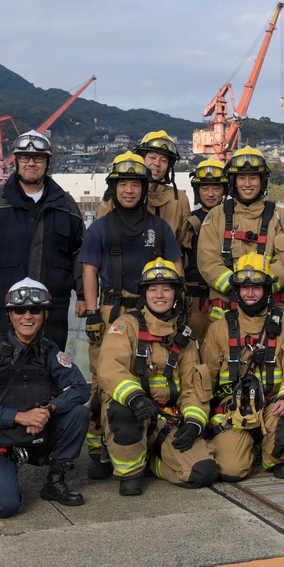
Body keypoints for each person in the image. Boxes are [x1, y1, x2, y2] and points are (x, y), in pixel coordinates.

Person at [80, 151, 183, 479]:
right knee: (102, 380)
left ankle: (142, 441)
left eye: (135, 184)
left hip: (152, 312)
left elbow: (176, 265)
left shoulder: (159, 226)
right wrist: (93, 311)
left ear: (144, 188)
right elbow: (89, 270)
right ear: (114, 187)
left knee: (151, 374)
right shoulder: (100, 228)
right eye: (122, 184)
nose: (129, 190)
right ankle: (98, 449)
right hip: (112, 310)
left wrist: (177, 301)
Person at [0, 278, 90, 517]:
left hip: (37, 434)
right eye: (20, 310)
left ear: (45, 315)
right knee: (5, 506)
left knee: (78, 413)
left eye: (35, 310)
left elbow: (80, 388)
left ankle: (54, 481)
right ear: (10, 315)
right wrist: (21, 417)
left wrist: (48, 410)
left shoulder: (49, 350)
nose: (27, 316)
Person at [96, 258, 220, 496]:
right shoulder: (125, 326)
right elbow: (110, 368)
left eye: (166, 288)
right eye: (153, 289)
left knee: (203, 472)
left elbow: (193, 389)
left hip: (166, 418)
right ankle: (131, 472)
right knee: (120, 411)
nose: (160, 295)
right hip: (134, 411)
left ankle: (153, 463)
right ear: (144, 294)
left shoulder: (186, 338)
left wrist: (194, 422)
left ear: (176, 294)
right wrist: (135, 398)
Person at [0, 130, 85, 350]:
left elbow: (81, 255)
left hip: (52, 310)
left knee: (51, 369)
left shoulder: (66, 205)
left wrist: (83, 295)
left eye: (38, 158)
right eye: (24, 157)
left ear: (47, 162)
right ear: (16, 161)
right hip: (5, 308)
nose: (31, 163)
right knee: (5, 368)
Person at [200, 252, 284, 480]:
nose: (250, 293)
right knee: (231, 470)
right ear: (237, 290)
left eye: (256, 287)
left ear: (267, 289)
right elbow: (205, 379)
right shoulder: (219, 329)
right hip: (233, 410)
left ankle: (275, 456)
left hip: (273, 408)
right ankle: (248, 446)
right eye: (244, 287)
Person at [197, 146, 284, 322]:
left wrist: (260, 288)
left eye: (253, 178)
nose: (247, 184)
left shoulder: (280, 216)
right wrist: (236, 288)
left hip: (270, 312)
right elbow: (208, 263)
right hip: (224, 314)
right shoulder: (215, 216)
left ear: (262, 181)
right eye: (241, 178)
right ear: (233, 182)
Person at [96, 131, 191, 248]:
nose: (157, 163)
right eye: (152, 157)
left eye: (164, 160)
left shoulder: (179, 200)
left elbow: (182, 244)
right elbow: (100, 237)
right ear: (141, 158)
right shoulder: (117, 196)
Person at [183, 158, 229, 342]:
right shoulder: (189, 221)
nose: (210, 194)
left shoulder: (234, 219)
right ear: (197, 191)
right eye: (204, 188)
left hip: (225, 297)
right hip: (194, 300)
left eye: (216, 188)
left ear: (224, 190)